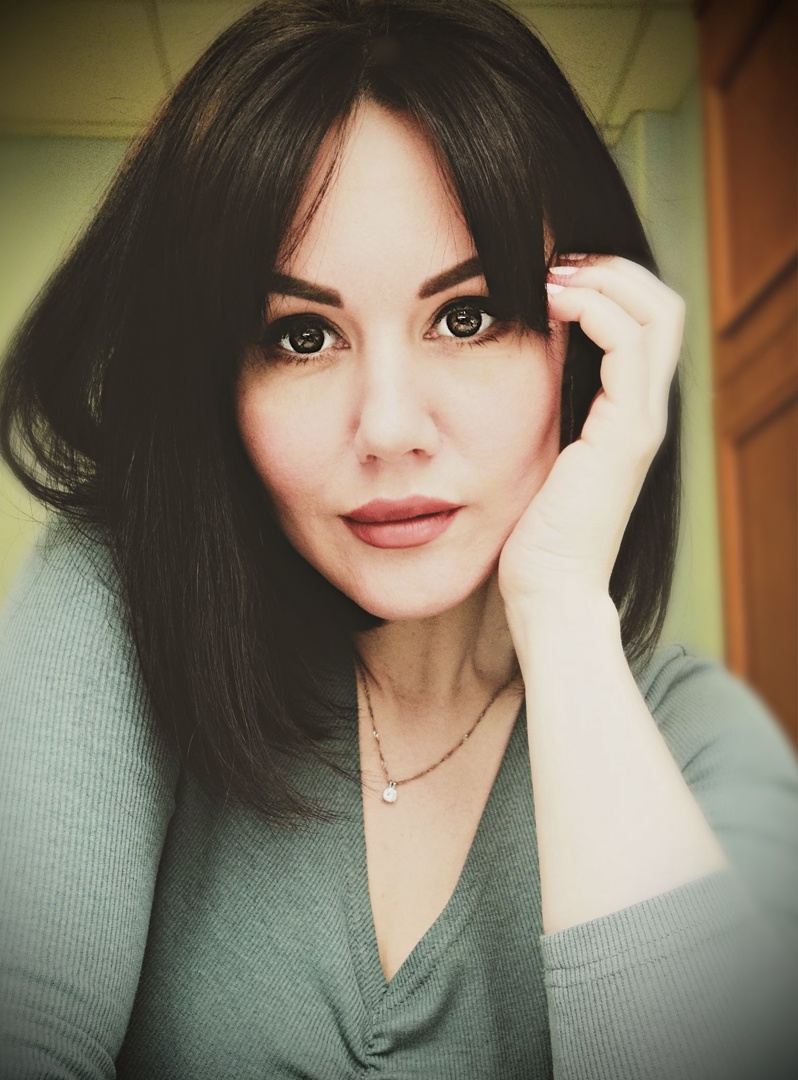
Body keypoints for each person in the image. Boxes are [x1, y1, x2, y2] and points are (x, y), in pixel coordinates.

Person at [0, 0, 796, 1076]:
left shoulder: (699, 739)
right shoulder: (118, 602)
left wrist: (562, 606)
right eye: (301, 335)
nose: (387, 428)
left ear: (586, 345)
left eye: (466, 317)